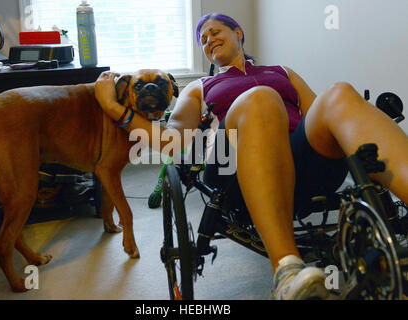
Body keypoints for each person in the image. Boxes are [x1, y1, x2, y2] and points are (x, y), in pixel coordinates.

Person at [94, 13, 408, 299]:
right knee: (261, 99)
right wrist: (115, 109)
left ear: (238, 32)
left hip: (303, 163)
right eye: (203, 40)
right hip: (234, 174)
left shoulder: (281, 71)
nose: (208, 41)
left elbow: (318, 114)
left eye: (214, 32)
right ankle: (287, 272)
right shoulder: (201, 86)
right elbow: (171, 142)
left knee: (339, 93)